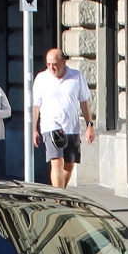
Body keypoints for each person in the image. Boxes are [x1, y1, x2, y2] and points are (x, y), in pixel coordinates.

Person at [29, 47, 93, 188]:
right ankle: (59, 198)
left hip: (71, 126)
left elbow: (84, 102)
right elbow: (36, 106)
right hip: (50, 125)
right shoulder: (41, 78)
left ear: (64, 62)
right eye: (48, 64)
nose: (52, 67)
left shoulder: (76, 76)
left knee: (69, 165)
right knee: (57, 162)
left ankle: (60, 191)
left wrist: (90, 125)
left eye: (55, 64)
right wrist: (34, 129)